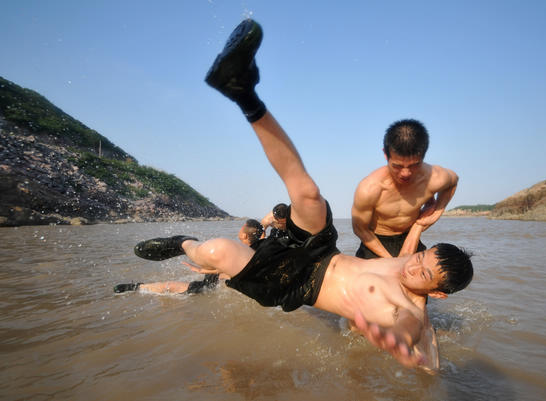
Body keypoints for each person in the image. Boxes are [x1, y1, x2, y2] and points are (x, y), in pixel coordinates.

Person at [133, 19, 473, 370]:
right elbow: (399, 242)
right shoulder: (404, 256)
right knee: (309, 194)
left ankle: (182, 242)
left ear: (436, 293)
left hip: (298, 282)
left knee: (213, 251)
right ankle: (243, 90)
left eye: (422, 273)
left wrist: (403, 346)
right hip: (322, 250)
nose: (412, 266)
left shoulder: (411, 312)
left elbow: (410, 330)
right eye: (420, 258)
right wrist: (419, 228)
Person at [352, 120, 458, 259]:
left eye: (414, 165)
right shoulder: (370, 188)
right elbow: (360, 230)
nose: (405, 173)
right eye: (397, 166)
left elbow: (453, 181)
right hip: (376, 242)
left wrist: (438, 211)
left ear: (423, 155)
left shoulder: (435, 178)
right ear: (386, 154)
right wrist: (393, 261)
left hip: (411, 236)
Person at [114, 219, 263, 294]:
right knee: (175, 286)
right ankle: (137, 287)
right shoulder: (256, 252)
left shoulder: (238, 250)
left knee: (171, 287)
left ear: (243, 234)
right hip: (216, 278)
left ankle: (137, 287)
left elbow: (230, 274)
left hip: (212, 284)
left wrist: (205, 271)